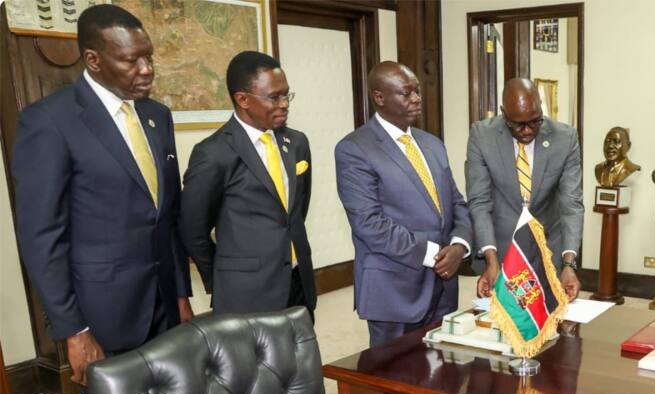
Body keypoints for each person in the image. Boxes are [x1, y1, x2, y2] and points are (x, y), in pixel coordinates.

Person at [11, 5, 192, 394]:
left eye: (149, 59)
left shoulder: (156, 116)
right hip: (102, 308)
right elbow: (42, 237)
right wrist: (72, 328)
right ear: (92, 59)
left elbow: (168, 218)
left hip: (162, 298)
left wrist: (180, 294)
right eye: (132, 61)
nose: (146, 71)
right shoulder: (49, 122)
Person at [335, 61, 472, 348]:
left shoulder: (432, 144)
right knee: (395, 378)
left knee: (441, 370)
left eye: (417, 92)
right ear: (379, 97)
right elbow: (369, 224)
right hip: (394, 290)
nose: (416, 99)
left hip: (443, 285)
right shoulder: (355, 149)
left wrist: (459, 246)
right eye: (406, 93)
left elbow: (456, 203)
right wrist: (433, 254)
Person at [181, 51, 316, 319]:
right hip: (246, 294)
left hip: (298, 282)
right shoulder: (214, 153)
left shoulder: (297, 142)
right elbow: (191, 231)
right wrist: (226, 277)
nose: (284, 104)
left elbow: (295, 212)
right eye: (274, 97)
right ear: (242, 99)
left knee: (301, 360)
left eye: (286, 95)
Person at [466, 78, 584, 300]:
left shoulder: (565, 138)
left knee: (552, 322)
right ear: (503, 114)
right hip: (501, 250)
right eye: (518, 124)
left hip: (548, 249)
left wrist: (568, 263)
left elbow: (572, 204)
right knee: (504, 324)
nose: (528, 130)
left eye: (535, 121)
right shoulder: (482, 136)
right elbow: (479, 202)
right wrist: (491, 259)